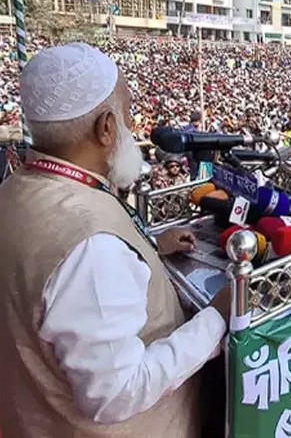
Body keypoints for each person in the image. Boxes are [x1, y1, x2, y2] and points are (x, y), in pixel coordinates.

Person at [0, 43, 231, 437]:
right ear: (105, 128)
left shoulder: (14, 190)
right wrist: (217, 318)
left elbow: (52, 281)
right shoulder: (91, 245)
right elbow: (115, 394)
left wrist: (150, 247)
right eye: (127, 112)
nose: (132, 125)